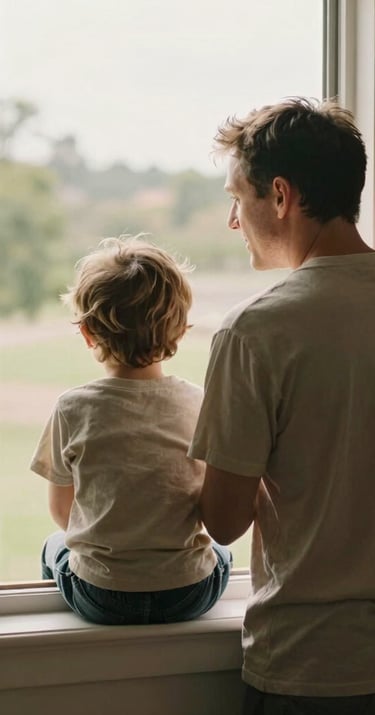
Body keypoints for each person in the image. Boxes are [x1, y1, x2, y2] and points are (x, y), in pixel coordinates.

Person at [188, 97, 375, 714]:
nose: (233, 222)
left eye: (235, 199)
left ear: (280, 195)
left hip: (313, 665)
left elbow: (224, 521)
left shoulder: (257, 332)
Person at [30, 235, 231, 625]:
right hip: (187, 593)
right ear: (180, 330)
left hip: (102, 596)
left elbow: (62, 511)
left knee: (53, 547)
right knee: (221, 556)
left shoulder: (72, 408)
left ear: (88, 333)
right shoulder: (199, 402)